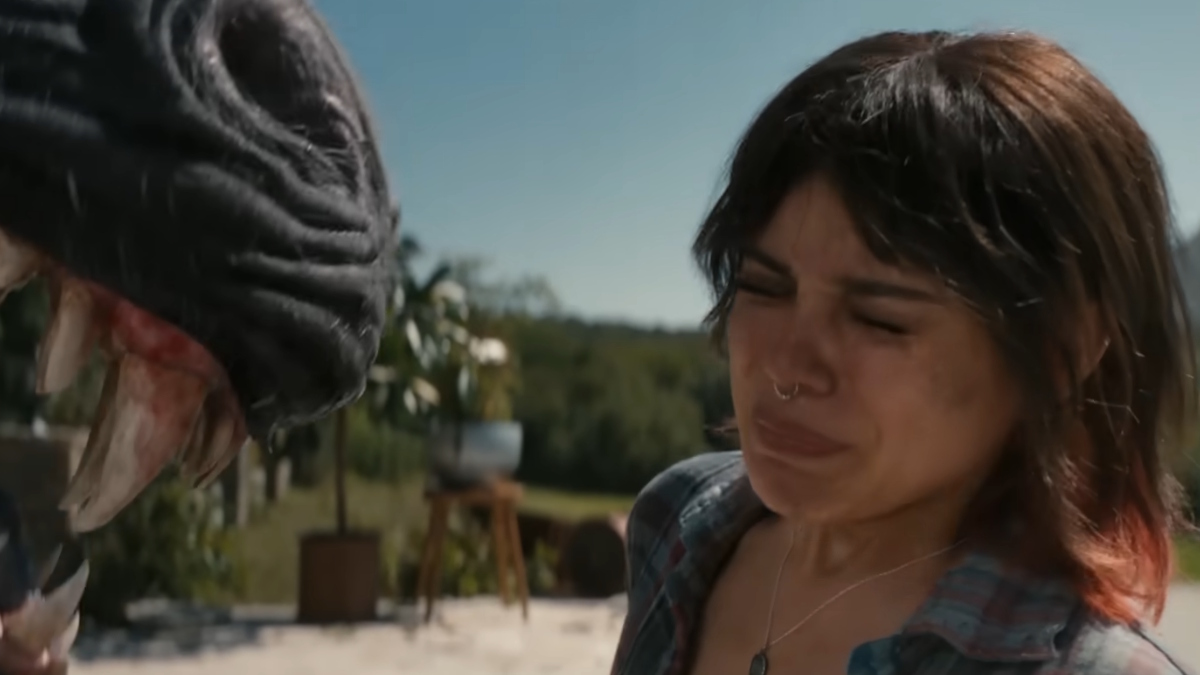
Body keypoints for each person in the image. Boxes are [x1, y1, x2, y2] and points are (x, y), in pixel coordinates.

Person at [611, 30, 1198, 675]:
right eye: (763, 286)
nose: (784, 368)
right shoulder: (677, 525)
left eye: (878, 320)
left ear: (1065, 349)